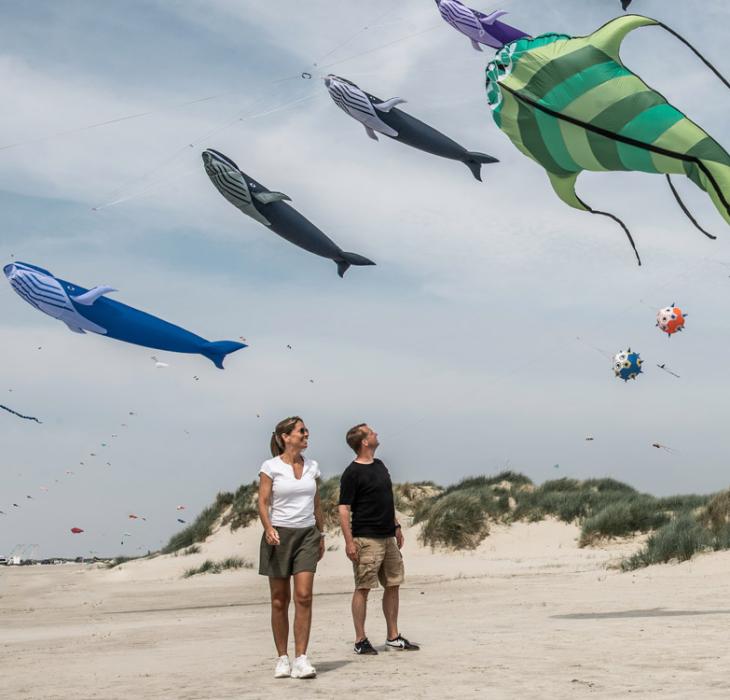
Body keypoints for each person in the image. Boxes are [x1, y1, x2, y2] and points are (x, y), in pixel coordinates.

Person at [337, 423, 420, 654]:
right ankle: (360, 640)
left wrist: (396, 526)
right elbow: (344, 508)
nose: (376, 434)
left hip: (387, 536)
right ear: (364, 441)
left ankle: (393, 636)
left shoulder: (381, 465)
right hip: (366, 538)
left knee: (393, 584)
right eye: (371, 432)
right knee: (363, 587)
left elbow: (386, 499)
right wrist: (349, 541)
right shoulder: (352, 472)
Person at [258, 416, 325, 679]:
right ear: (285, 437)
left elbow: (317, 504)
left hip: (307, 534)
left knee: (304, 596)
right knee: (278, 600)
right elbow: (263, 502)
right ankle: (282, 658)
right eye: (301, 431)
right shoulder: (270, 467)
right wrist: (268, 528)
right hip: (279, 536)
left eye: (306, 430)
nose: (306, 434)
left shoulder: (313, 467)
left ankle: (301, 659)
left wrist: (321, 535)